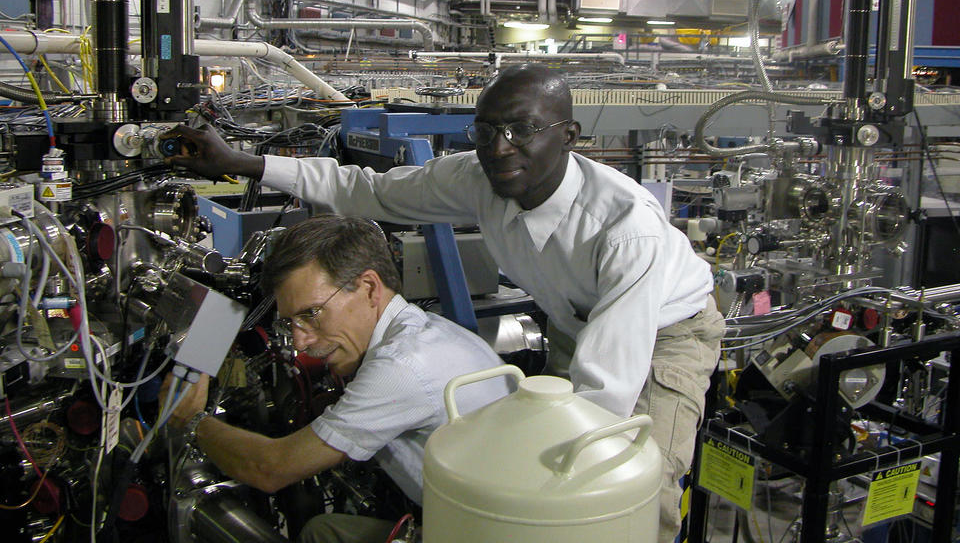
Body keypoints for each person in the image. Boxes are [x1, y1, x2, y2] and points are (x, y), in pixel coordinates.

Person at [167, 64, 725, 543]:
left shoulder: (628, 230)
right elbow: (371, 190)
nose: (501, 146)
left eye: (524, 129)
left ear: (569, 135)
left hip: (664, 336)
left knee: (623, 490)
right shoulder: (480, 177)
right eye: (486, 131)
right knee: (549, 473)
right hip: (574, 321)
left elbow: (605, 394)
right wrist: (244, 163)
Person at [161, 214, 511, 543]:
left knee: (319, 533)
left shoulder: (404, 366)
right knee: (324, 529)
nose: (300, 341)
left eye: (311, 314)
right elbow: (230, 300)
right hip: (474, 519)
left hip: (482, 533)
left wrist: (191, 421)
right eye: (290, 323)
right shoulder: (424, 331)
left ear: (369, 288)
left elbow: (270, 469)